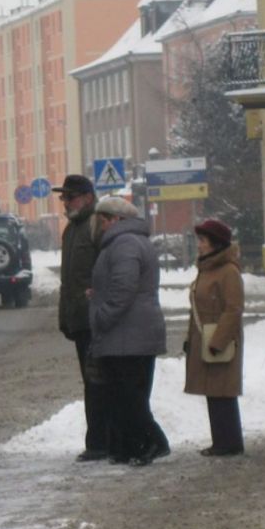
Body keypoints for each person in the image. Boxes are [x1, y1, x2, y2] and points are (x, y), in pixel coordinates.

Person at [87, 197, 169, 467]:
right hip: (129, 332)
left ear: (115, 220)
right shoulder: (125, 242)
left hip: (128, 333)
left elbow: (124, 289)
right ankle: (132, 447)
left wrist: (102, 315)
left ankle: (152, 442)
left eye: (102, 220)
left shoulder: (124, 243)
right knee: (127, 394)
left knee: (129, 395)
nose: (98, 226)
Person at [52, 174, 110, 462]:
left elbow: (109, 269)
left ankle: (101, 442)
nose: (65, 203)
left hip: (96, 319)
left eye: (70, 197)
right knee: (91, 381)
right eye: (63, 198)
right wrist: (65, 317)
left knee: (99, 381)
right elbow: (68, 281)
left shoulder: (96, 224)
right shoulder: (72, 229)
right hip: (79, 320)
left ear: (88, 197)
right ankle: (99, 440)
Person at [184, 219, 245, 457]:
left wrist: (219, 341)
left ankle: (229, 442)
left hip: (221, 341)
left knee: (223, 391)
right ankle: (221, 440)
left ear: (215, 244)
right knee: (214, 391)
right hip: (206, 340)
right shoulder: (207, 268)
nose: (198, 245)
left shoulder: (228, 271)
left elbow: (234, 309)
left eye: (202, 240)